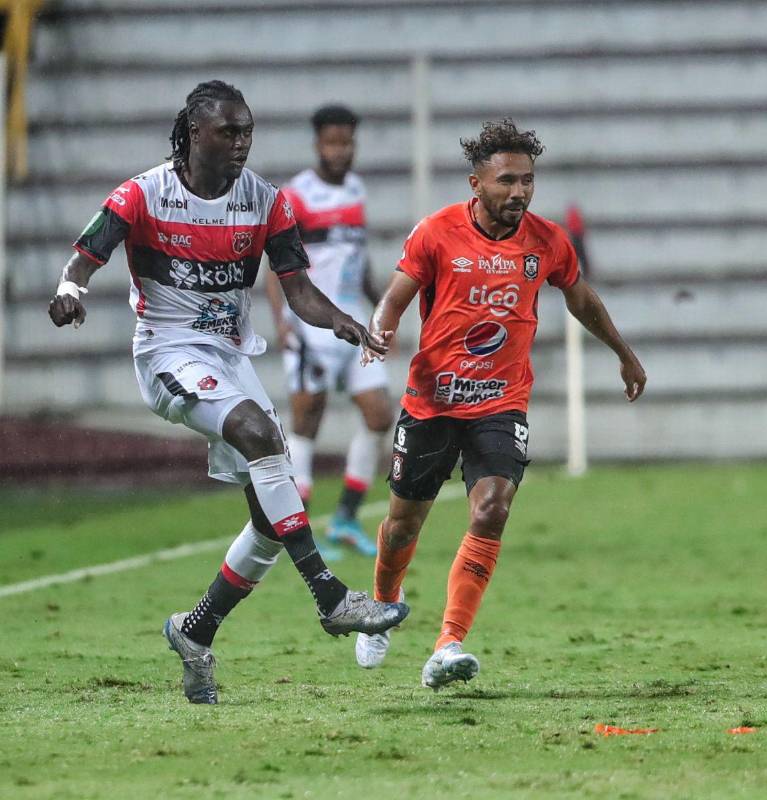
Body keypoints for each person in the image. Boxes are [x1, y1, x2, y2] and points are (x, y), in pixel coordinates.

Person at [47, 80, 408, 705]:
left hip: (231, 360)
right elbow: (85, 258)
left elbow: (298, 290)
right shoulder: (143, 194)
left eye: (247, 131)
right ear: (192, 133)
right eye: (228, 131)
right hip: (167, 352)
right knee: (264, 436)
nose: (241, 142)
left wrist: (341, 321)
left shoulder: (265, 201)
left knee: (270, 522)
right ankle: (329, 596)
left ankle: (196, 631)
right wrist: (71, 293)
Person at [355, 119, 647, 687]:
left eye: (528, 181)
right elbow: (395, 297)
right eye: (507, 180)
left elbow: (580, 298)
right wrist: (381, 332)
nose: (519, 192)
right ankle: (381, 606)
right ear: (476, 183)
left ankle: (447, 645)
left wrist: (624, 352)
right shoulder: (436, 232)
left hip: (501, 402)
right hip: (433, 401)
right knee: (400, 526)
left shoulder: (547, 240)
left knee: (492, 508)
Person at [265, 104, 390, 558]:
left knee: (379, 415)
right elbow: (275, 265)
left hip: (354, 321)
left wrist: (383, 310)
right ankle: (299, 534)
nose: (342, 150)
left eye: (348, 141)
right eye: (333, 142)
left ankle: (345, 519)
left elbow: (359, 260)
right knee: (307, 422)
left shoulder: (356, 190)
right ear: (318, 144)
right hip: (313, 325)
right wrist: (284, 320)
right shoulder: (297, 195)